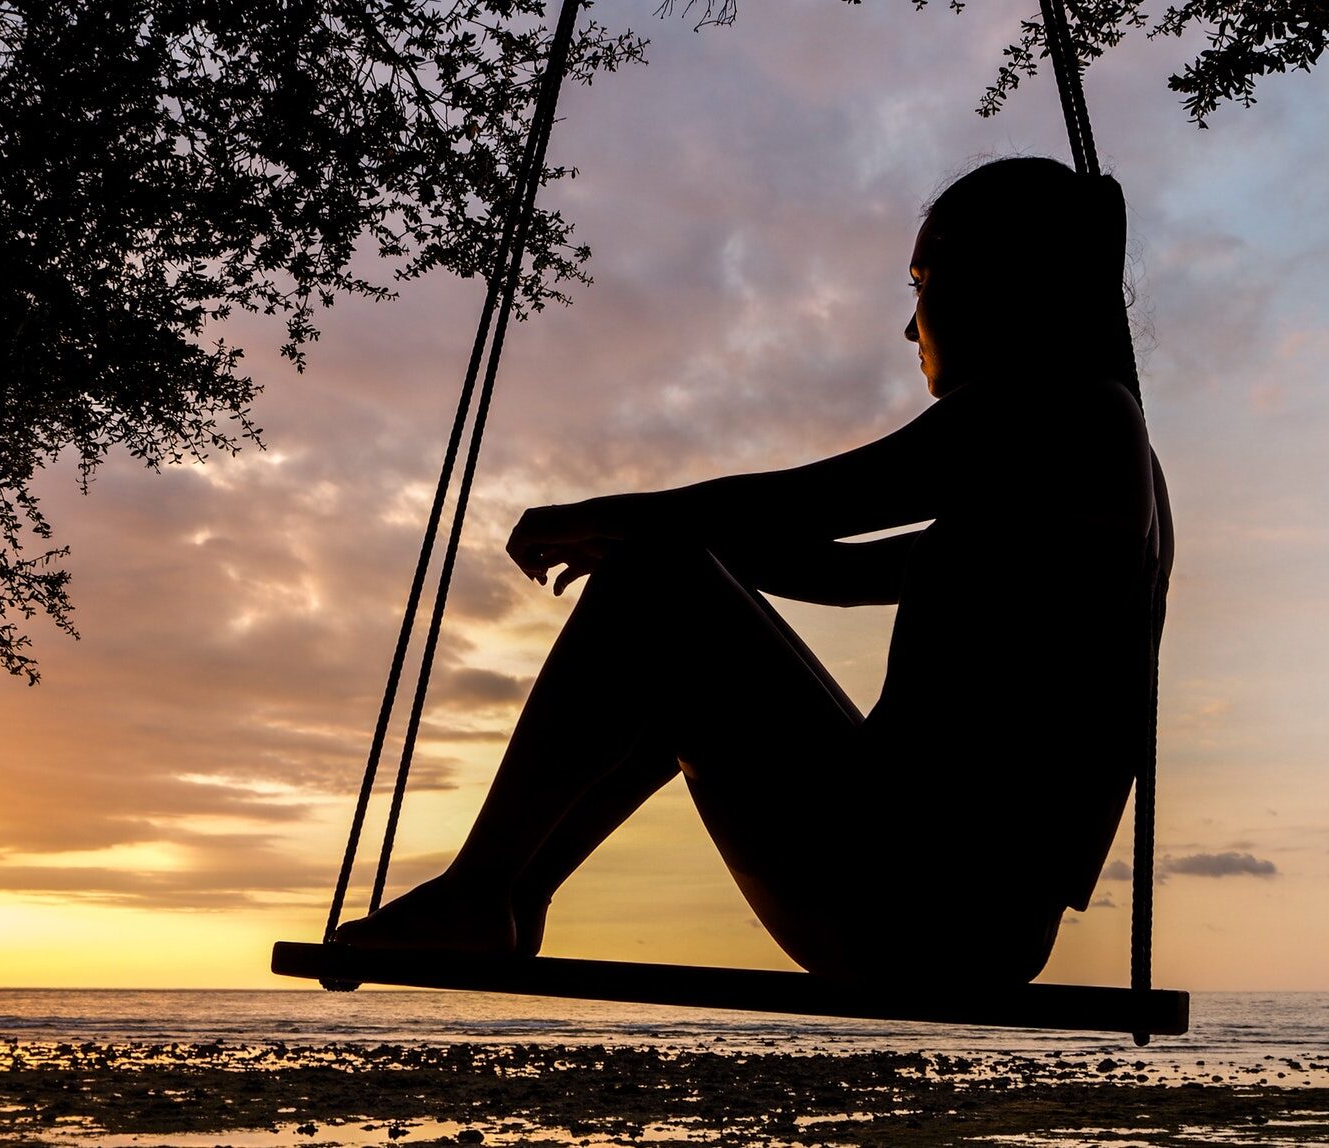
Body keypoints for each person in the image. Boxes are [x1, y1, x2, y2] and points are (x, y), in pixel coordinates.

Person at [334, 156, 1174, 988]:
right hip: (963, 913)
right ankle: (513, 896)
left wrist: (612, 521)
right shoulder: (1096, 451)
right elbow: (841, 571)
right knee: (668, 595)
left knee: (660, 580)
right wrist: (656, 546)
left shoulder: (1062, 413)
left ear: (994, 279)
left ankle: (480, 892)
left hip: (917, 900)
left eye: (921, 283)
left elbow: (818, 501)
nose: (908, 327)